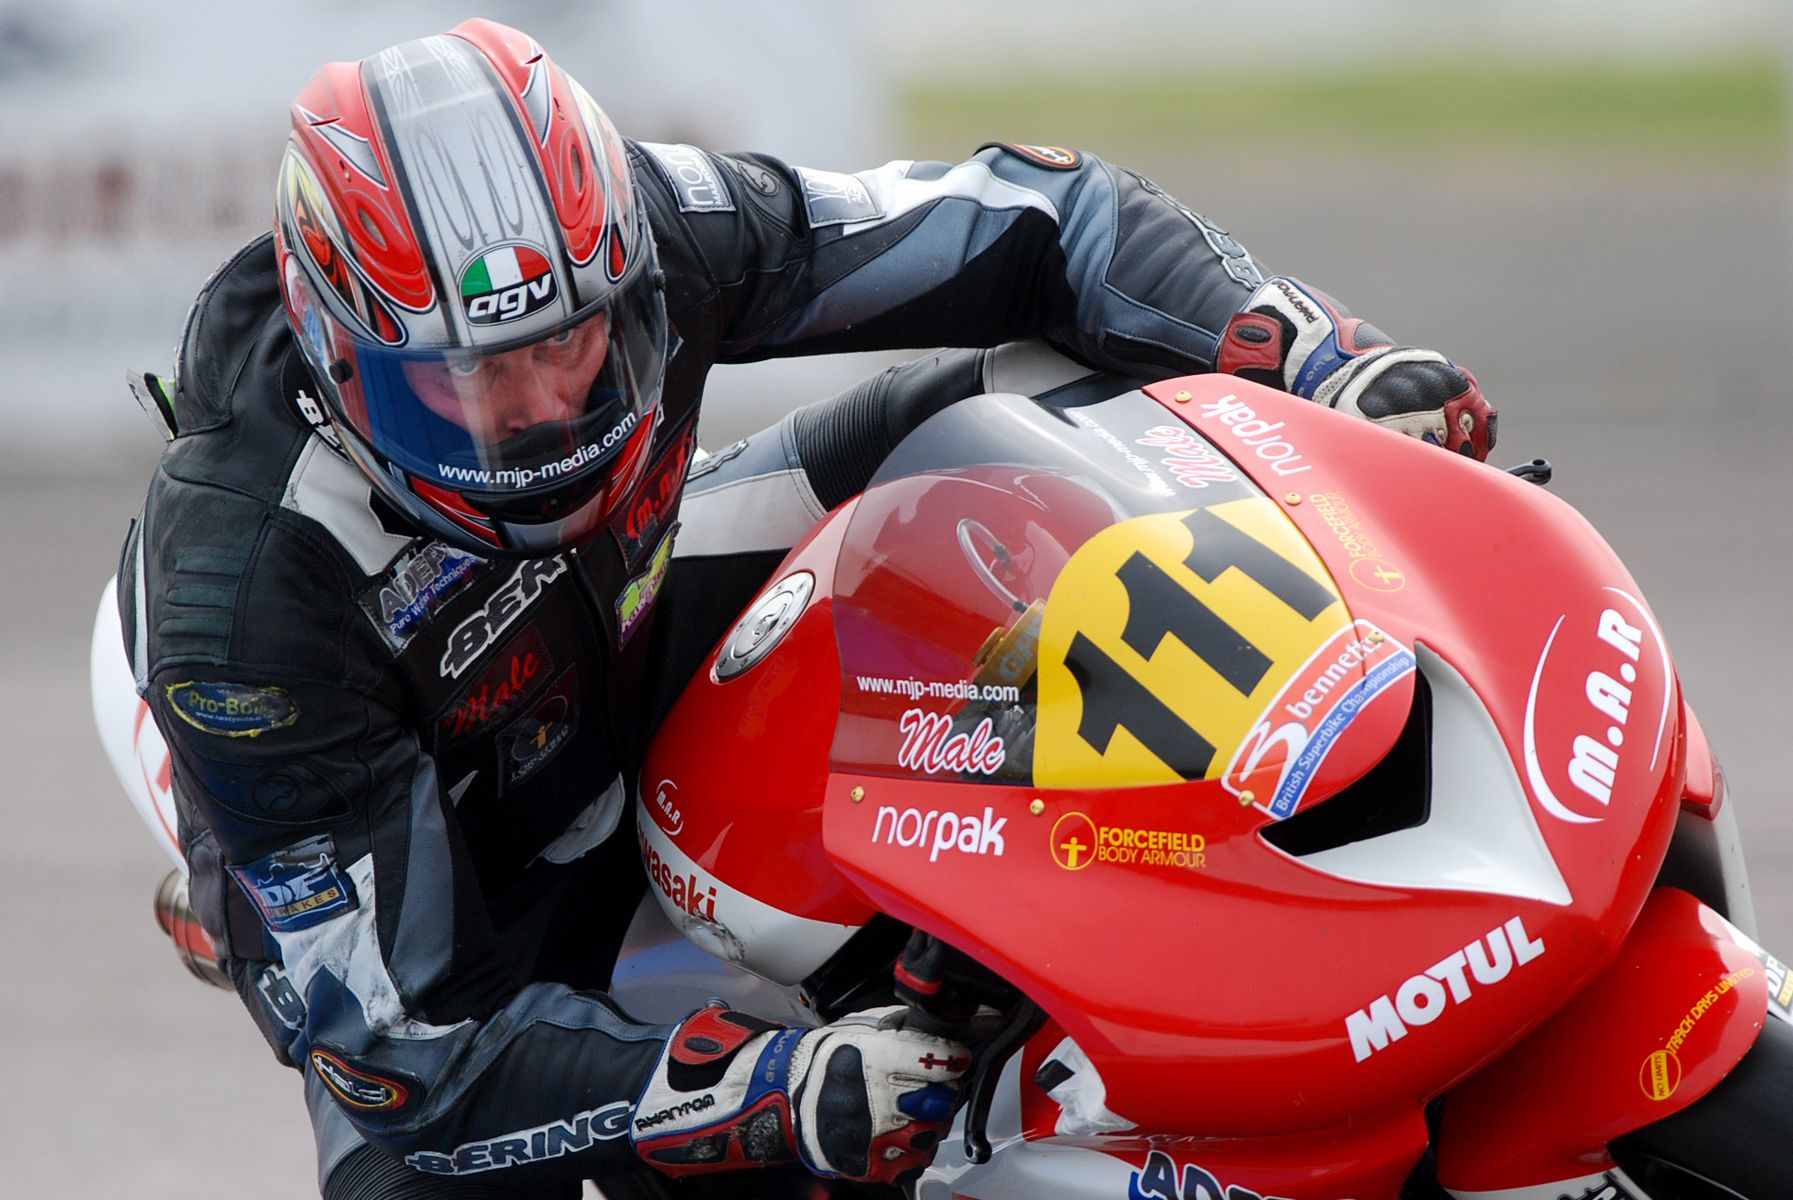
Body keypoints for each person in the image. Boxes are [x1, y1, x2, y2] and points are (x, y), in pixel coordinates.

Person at [117, 18, 1495, 1200]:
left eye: (575, 351)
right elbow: (406, 1048)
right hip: (443, 862)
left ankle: (1239, 831)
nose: (545, 417)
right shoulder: (242, 599)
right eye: (476, 388)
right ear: (343, 353)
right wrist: (766, 1088)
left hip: (631, 613)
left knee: (1012, 413)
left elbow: (1037, 217)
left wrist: (1308, 356)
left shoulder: (658, 231)